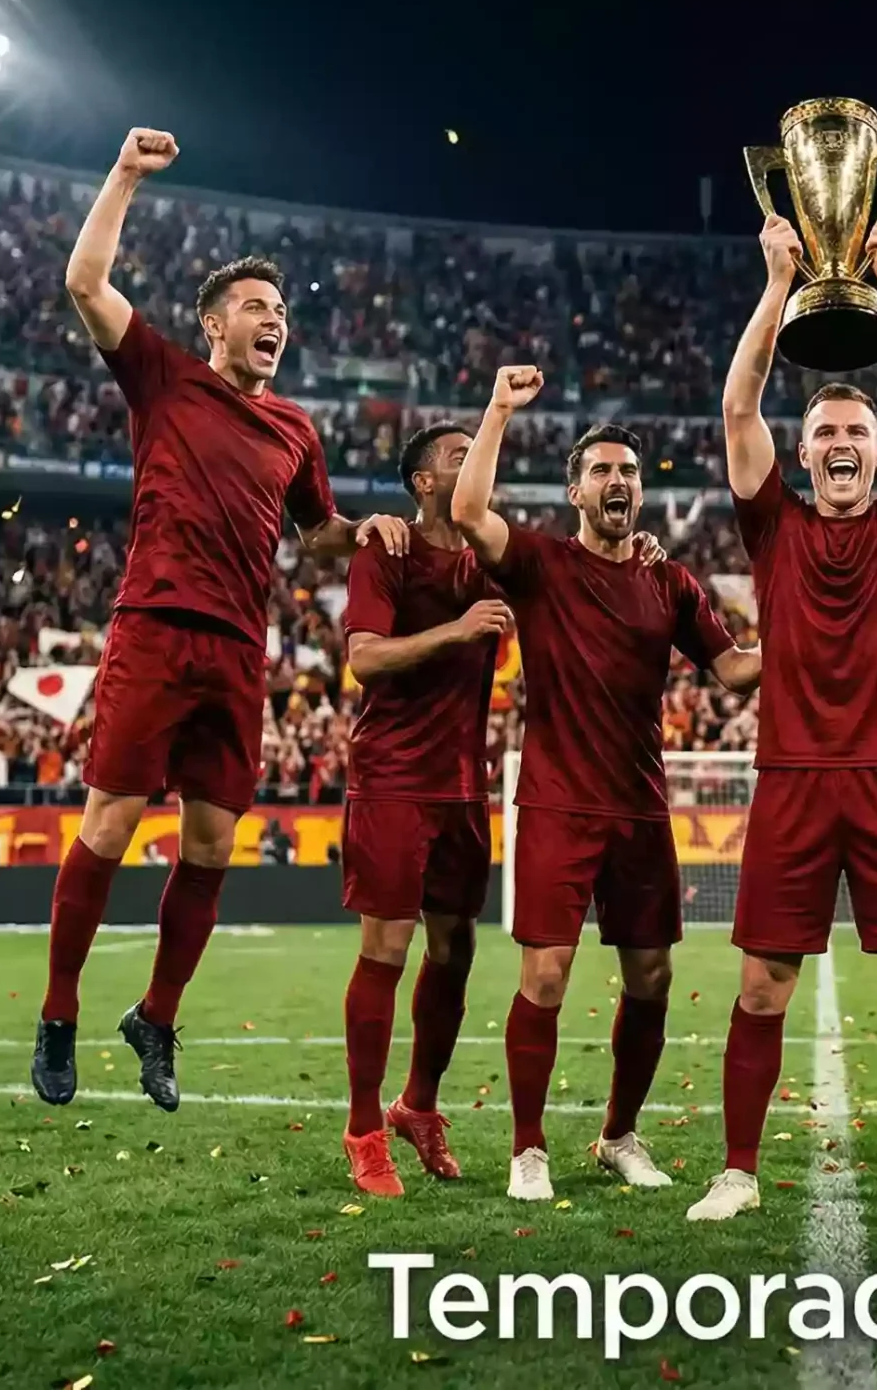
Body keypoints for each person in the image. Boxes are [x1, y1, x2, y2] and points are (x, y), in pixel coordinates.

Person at [29, 127, 407, 1115]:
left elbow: (316, 534)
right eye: (253, 308)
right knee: (108, 826)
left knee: (209, 847)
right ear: (212, 325)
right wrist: (121, 175)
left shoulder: (297, 428)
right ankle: (60, 1012)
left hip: (242, 649)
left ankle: (156, 1015)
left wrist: (357, 531)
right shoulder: (161, 375)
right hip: (155, 625)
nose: (272, 321)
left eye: (281, 312)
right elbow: (83, 282)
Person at [688, 209, 877, 1224]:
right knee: (763, 985)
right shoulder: (771, 521)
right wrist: (776, 286)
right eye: (822, 430)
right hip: (789, 779)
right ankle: (737, 1167)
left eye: (854, 432)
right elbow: (738, 411)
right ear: (805, 450)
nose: (837, 442)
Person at [451, 364, 761, 1202]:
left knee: (652, 976)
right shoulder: (542, 564)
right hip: (556, 799)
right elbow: (469, 512)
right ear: (575, 490)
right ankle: (527, 1150)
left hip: (640, 803)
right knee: (544, 976)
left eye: (628, 470)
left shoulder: (669, 581)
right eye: (602, 471)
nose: (618, 480)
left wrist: (807, 641)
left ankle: (619, 1133)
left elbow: (732, 670)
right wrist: (499, 409)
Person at [335, 420, 513, 1196]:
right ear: (424, 480)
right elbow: (365, 656)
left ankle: (420, 1106)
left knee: (456, 951)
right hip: (393, 777)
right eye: (455, 452)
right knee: (386, 947)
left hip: (464, 785)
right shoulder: (388, 548)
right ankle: (364, 1127)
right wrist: (456, 629)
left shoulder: (491, 559)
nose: (472, 458)